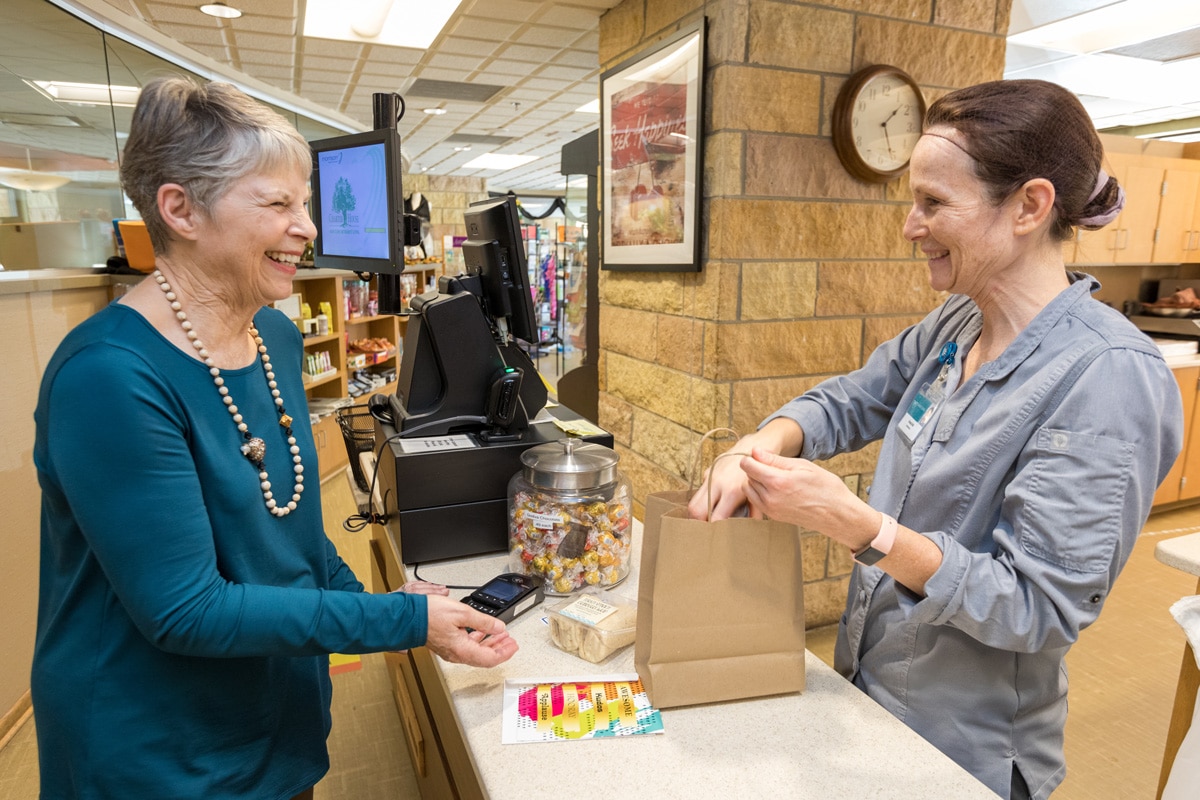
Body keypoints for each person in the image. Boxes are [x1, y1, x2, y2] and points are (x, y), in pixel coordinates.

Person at [691, 79, 1183, 800]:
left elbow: (1036, 607)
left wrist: (860, 527)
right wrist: (760, 444)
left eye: (934, 203)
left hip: (967, 754)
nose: (909, 226)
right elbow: (855, 397)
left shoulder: (1107, 378)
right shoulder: (959, 325)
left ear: (1029, 206)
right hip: (875, 695)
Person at [31, 76, 517, 800]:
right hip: (157, 754)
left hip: (271, 719)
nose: (309, 229)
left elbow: (289, 534)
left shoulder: (274, 339)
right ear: (180, 209)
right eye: (279, 204)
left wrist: (394, 598)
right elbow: (186, 609)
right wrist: (400, 619)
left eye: (308, 205)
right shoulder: (109, 378)